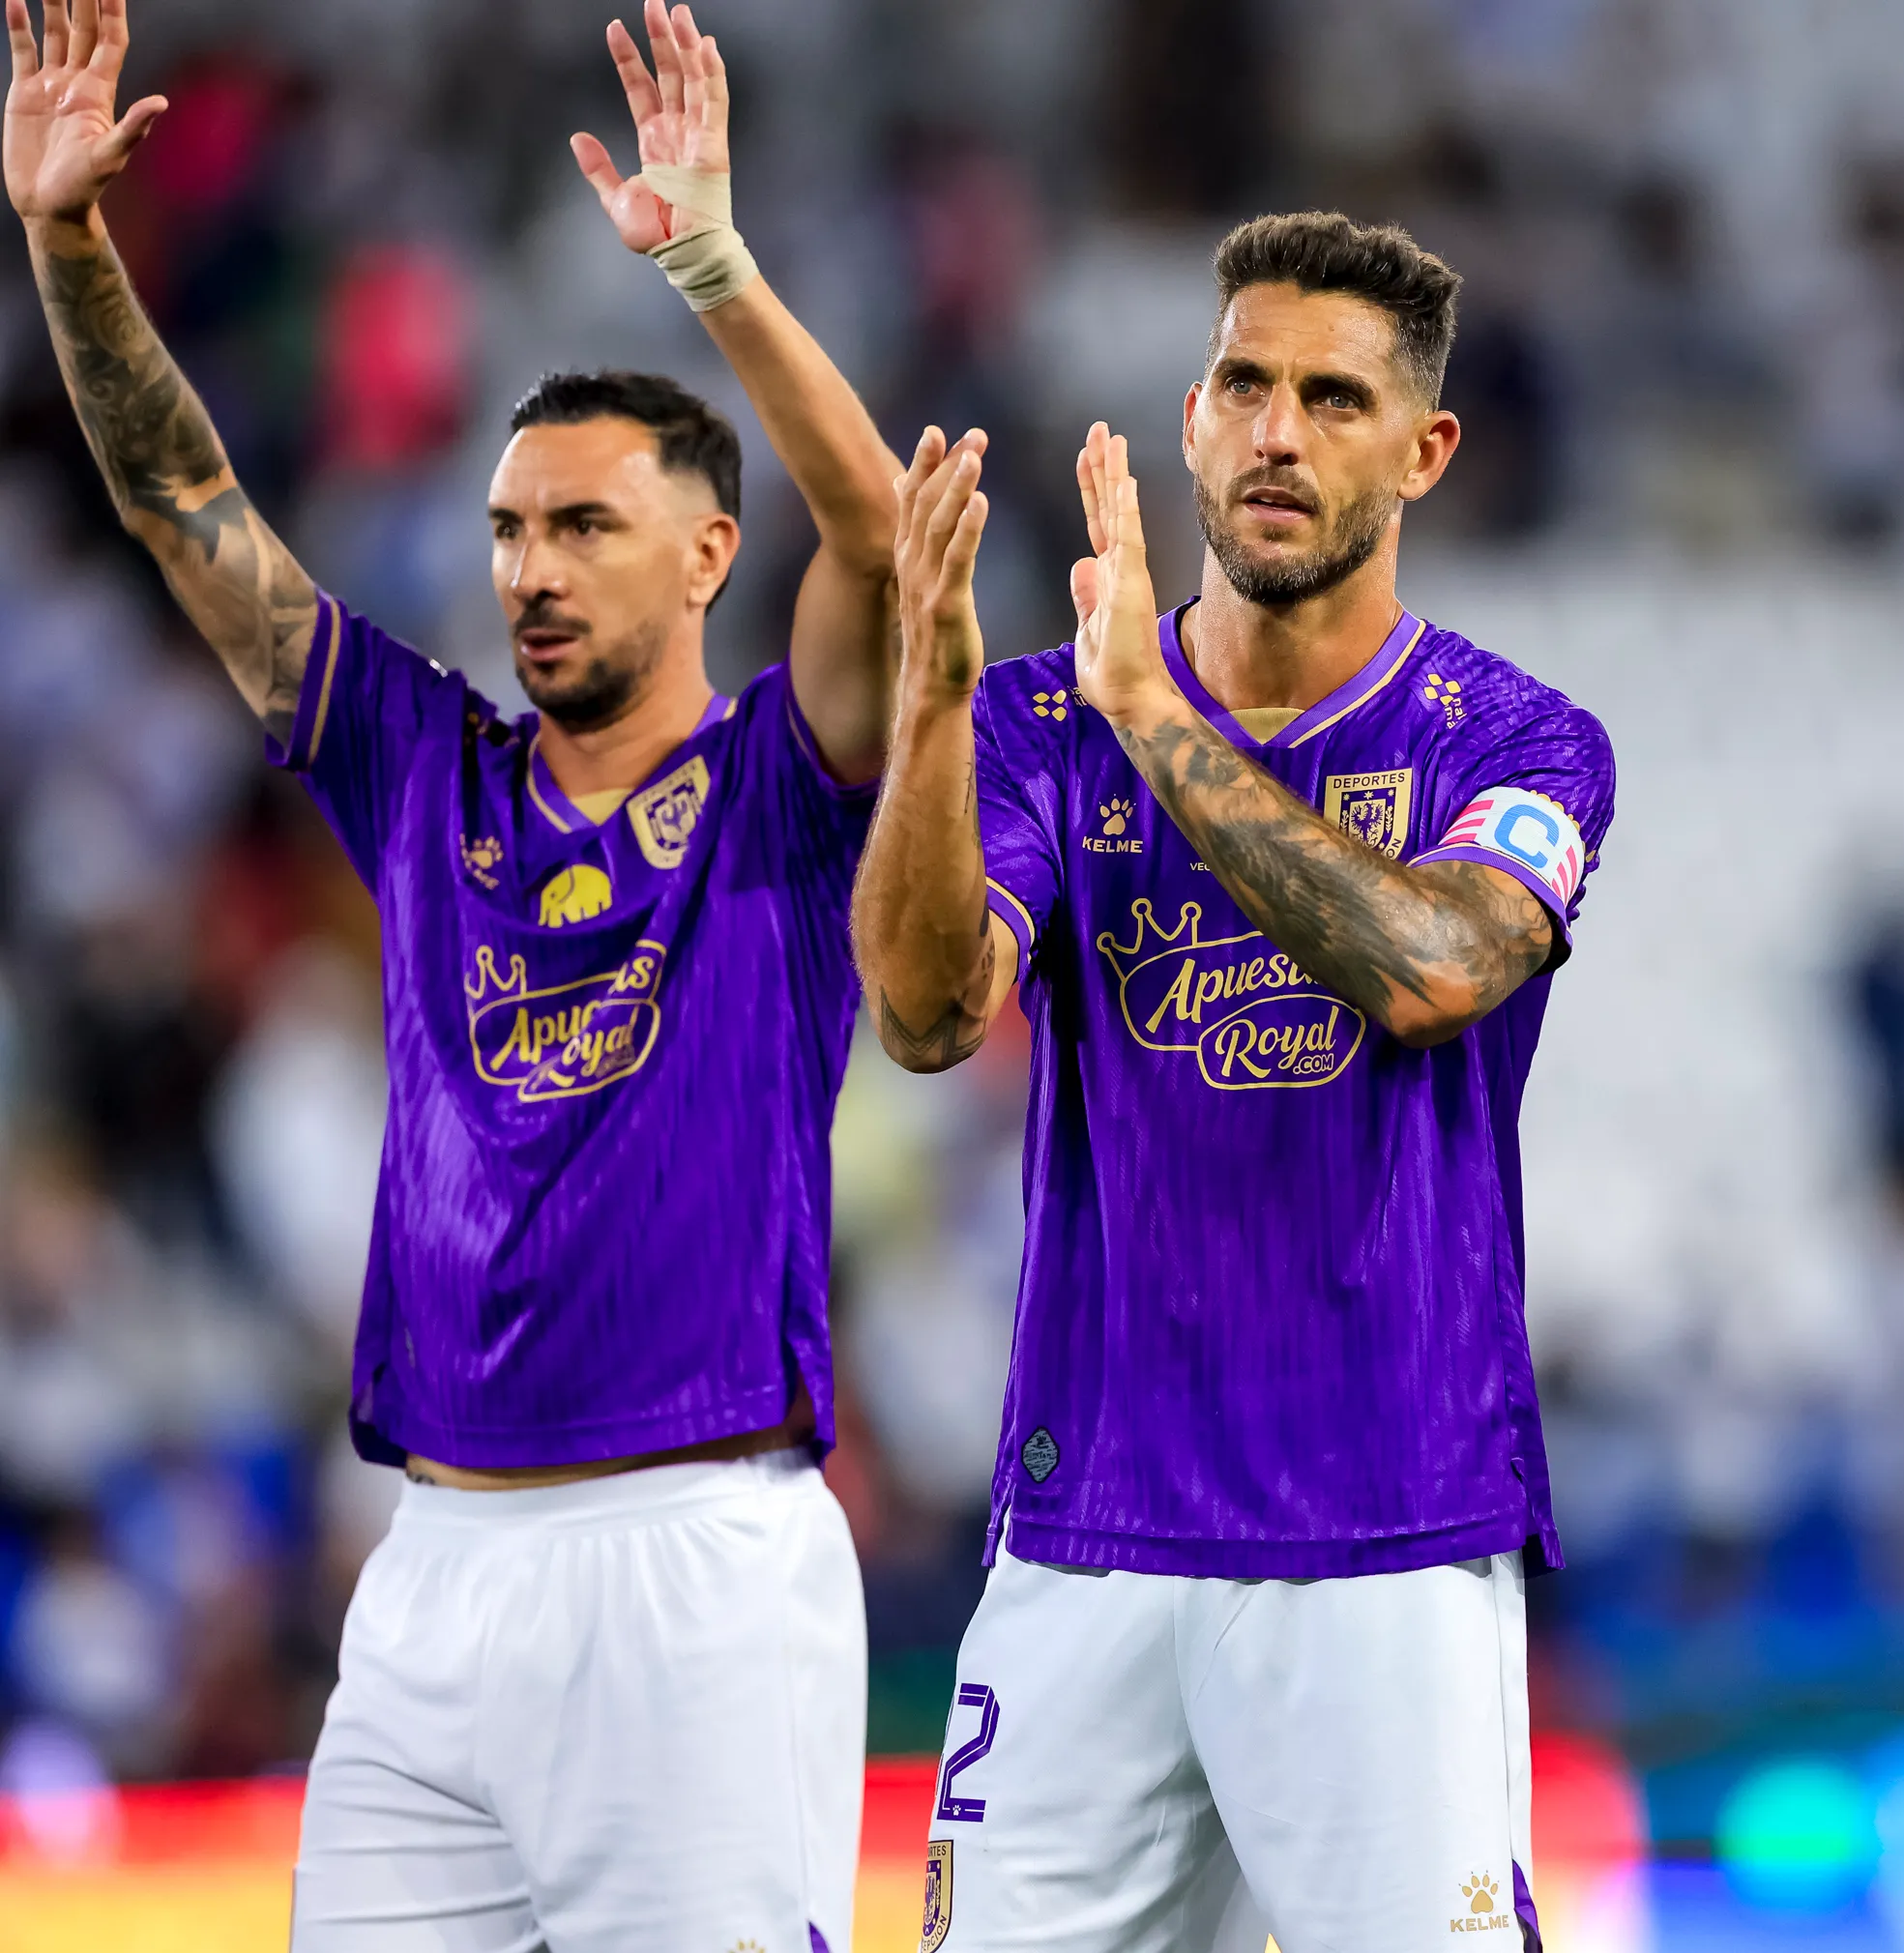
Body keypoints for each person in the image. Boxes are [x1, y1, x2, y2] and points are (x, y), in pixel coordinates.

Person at [7, 2, 899, 1944]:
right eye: (507, 530)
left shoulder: (779, 786)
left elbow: (882, 540)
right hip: (428, 1566)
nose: (530, 570)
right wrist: (70, 246)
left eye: (586, 524)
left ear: (705, 555)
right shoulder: (421, 773)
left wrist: (715, 272)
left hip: (695, 1561)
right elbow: (187, 513)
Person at [852, 212, 1616, 1952]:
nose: (1279, 432)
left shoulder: (1515, 741)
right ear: (1191, 418)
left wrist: (1160, 725)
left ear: (1423, 452)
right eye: (1247, 386)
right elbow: (918, 1011)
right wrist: (931, 703)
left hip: (1387, 1536)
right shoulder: (1044, 726)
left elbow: (1432, 968)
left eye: (1335, 400)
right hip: (1085, 1539)